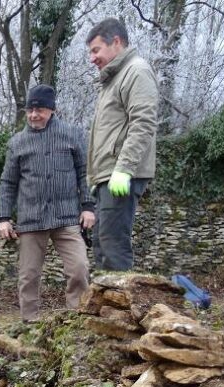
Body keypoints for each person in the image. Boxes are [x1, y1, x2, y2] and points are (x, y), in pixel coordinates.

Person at [0, 84, 94, 322]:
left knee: (79, 269)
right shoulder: (17, 142)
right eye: (30, 110)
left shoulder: (72, 135)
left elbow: (85, 173)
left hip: (67, 216)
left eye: (39, 110)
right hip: (31, 218)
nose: (33, 115)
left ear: (52, 110)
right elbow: (8, 182)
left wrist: (88, 206)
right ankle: (29, 324)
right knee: (28, 276)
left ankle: (76, 321)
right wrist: (3, 218)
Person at [85, 17, 158, 271]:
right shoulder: (112, 80)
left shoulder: (136, 71)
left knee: (113, 247)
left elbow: (143, 123)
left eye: (96, 50)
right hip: (107, 176)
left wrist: (124, 169)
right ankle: (107, 295)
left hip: (120, 175)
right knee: (102, 245)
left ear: (116, 42)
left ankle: (121, 296)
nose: (92, 58)